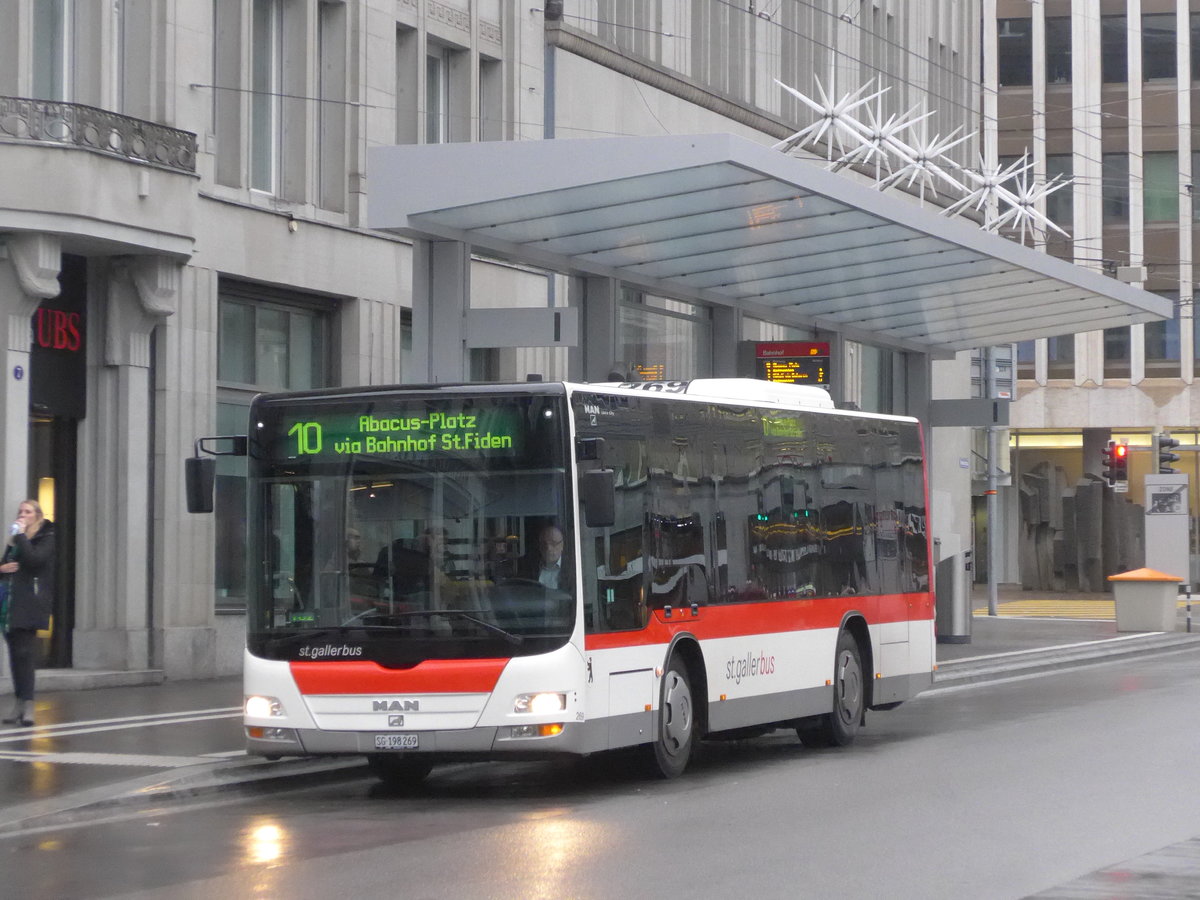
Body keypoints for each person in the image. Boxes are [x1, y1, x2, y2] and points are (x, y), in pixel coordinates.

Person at [1, 500, 55, 727]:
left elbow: (35, 560)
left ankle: (29, 705)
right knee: (14, 657)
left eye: (28, 512)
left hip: (29, 604)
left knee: (25, 655)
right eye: (20, 511)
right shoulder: (16, 540)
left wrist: (22, 536)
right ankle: (18, 704)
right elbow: (6, 564)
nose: (22, 515)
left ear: (38, 516)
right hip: (9, 604)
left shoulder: (46, 536)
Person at [519, 524, 570, 591]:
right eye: (544, 544)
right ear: (539, 546)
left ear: (562, 545)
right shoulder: (529, 567)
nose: (548, 548)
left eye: (553, 543)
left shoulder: (573, 568)